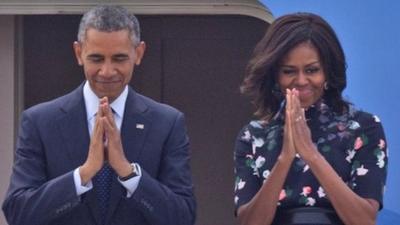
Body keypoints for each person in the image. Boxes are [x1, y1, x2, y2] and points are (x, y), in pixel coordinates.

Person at [2, 5, 196, 225]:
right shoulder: (39, 122)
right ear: (78, 53)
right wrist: (83, 174)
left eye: (119, 59)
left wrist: (127, 172)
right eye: (96, 59)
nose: (107, 71)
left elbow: (183, 217)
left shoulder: (167, 123)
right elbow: (18, 213)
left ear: (139, 53)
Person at [234, 12, 387, 225]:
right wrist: (285, 158)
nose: (301, 81)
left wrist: (310, 153)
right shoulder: (253, 136)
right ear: (275, 76)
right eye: (289, 71)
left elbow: (364, 220)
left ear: (328, 72)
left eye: (312, 70)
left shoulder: (363, 128)